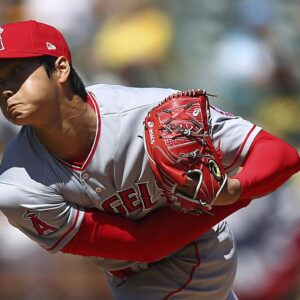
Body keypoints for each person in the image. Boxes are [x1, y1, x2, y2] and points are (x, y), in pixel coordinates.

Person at [0, 20, 298, 300]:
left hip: (195, 253)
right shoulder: (16, 186)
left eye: (16, 72)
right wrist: (230, 200)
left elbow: (280, 154)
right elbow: (143, 245)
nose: (6, 90)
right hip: (133, 272)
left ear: (61, 68)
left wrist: (234, 189)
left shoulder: (148, 113)